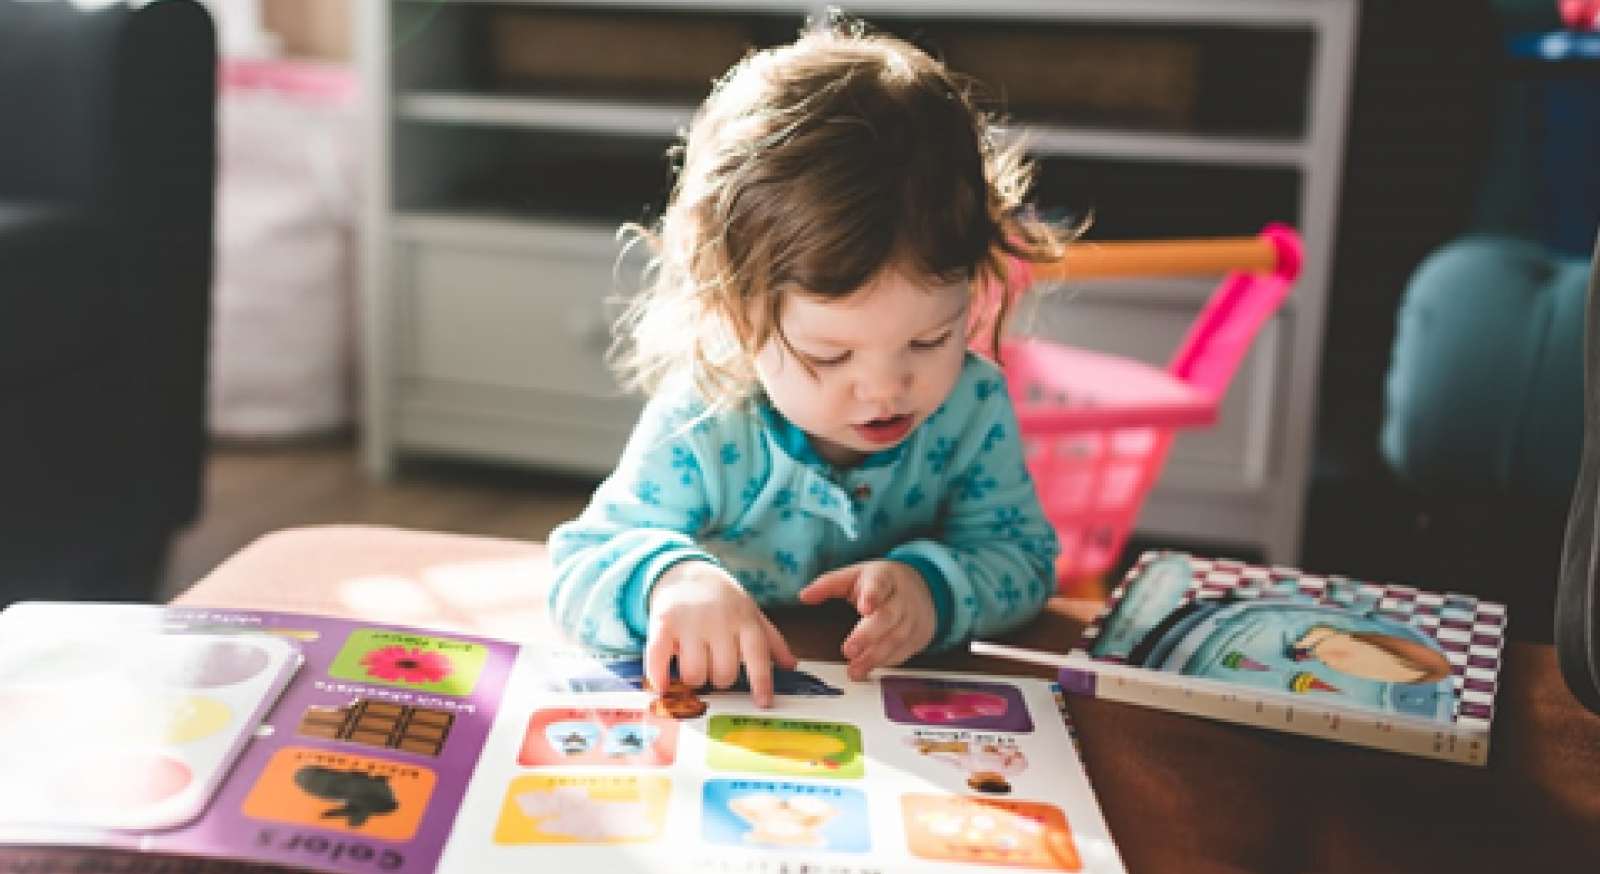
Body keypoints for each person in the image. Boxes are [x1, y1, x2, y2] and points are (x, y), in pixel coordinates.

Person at [548, 17, 1073, 708]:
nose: (888, 386)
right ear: (736, 316)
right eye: (831, 355)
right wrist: (673, 580)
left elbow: (1024, 562)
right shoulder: (704, 419)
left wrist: (932, 588)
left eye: (931, 339)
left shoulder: (971, 408)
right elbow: (578, 566)